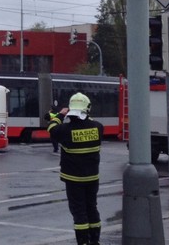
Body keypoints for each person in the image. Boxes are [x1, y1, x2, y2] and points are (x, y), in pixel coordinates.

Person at [47, 92, 104, 245]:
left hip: (73, 179)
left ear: (71, 110)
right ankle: (95, 241)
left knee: (79, 212)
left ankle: (83, 242)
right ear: (87, 109)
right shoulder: (98, 127)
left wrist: (60, 115)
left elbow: (51, 128)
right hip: (92, 178)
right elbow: (89, 121)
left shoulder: (65, 130)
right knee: (92, 208)